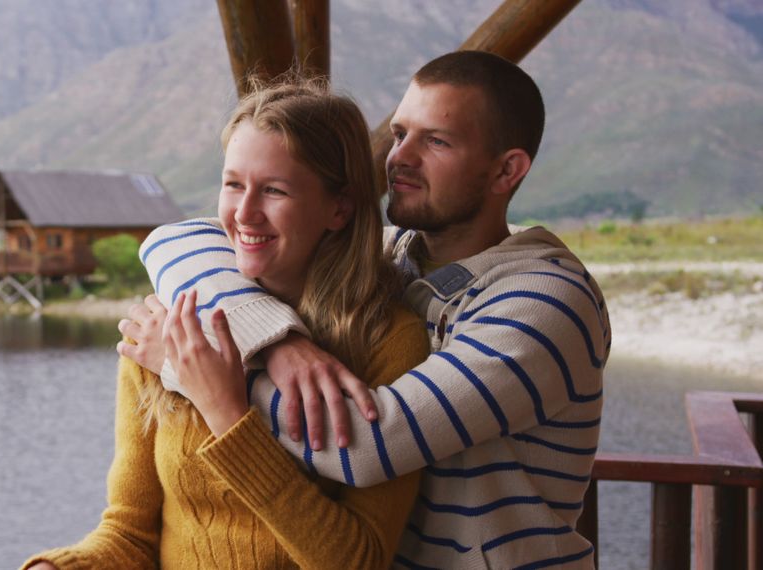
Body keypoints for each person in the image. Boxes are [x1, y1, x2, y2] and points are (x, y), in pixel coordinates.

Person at [122, 51, 610, 568]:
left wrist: (199, 373)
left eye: (436, 141)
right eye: (400, 133)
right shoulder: (397, 260)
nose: (399, 158)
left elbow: (370, 444)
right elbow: (177, 240)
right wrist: (280, 343)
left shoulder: (545, 302)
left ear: (506, 170)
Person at [21, 78, 430, 569]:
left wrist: (227, 415)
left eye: (274, 190)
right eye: (233, 184)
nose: (244, 214)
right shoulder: (171, 325)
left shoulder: (389, 343)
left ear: (338, 208)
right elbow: (130, 533)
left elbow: (359, 560)